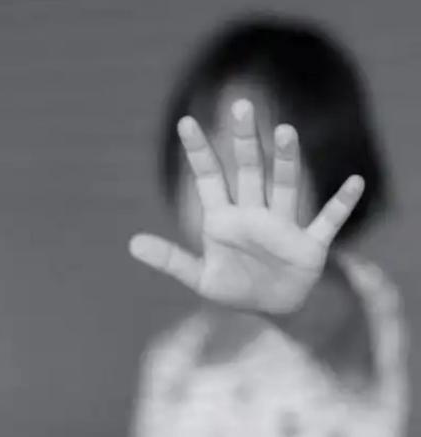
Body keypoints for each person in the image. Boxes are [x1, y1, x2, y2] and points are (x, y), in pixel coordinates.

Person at [127, 14, 409, 437]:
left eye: (257, 160)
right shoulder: (172, 358)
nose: (226, 179)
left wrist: (290, 303)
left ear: (330, 171)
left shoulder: (347, 306)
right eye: (205, 153)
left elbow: (328, 323)